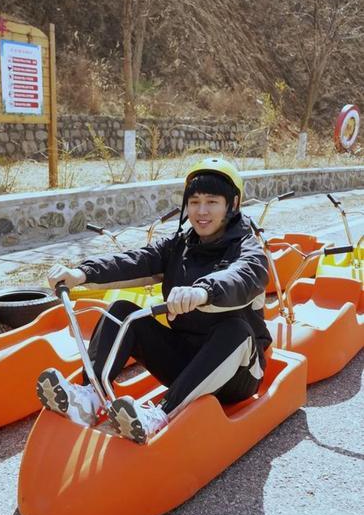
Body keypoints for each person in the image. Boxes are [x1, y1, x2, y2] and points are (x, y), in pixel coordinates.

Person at [36, 157, 272, 444]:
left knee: (235, 330)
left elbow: (243, 276)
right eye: (194, 202)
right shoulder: (180, 244)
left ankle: (159, 416)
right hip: (186, 363)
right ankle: (90, 397)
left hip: (237, 376)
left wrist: (203, 291)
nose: (201, 211)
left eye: (212, 202)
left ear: (232, 204)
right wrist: (81, 273)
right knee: (122, 311)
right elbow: (137, 260)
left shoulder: (249, 249)